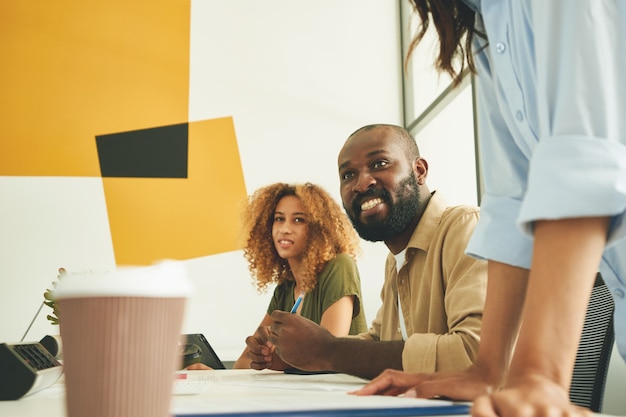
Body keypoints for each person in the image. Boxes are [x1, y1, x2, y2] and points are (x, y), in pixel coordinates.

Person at [352, 1, 626, 416]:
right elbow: (511, 200)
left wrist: (539, 375)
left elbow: (581, 158)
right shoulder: (490, 23)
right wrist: (489, 369)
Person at [245, 124, 488, 380]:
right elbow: (379, 341)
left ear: (419, 171)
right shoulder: (397, 259)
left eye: (380, 163)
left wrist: (326, 350)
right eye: (348, 175)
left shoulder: (466, 227)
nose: (362, 184)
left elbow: (475, 354)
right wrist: (292, 357)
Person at [230, 182, 368, 369]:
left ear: (319, 229)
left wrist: (276, 362)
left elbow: (328, 356)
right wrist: (258, 356)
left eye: (298, 220)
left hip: (342, 394)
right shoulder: (285, 289)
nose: (284, 229)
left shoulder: (339, 266)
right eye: (279, 219)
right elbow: (243, 363)